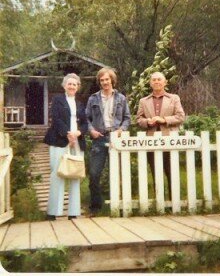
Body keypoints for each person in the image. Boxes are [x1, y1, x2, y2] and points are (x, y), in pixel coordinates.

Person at [86, 67, 131, 216]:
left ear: (112, 80)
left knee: (118, 172)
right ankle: (96, 206)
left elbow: (127, 118)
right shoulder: (93, 98)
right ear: (99, 82)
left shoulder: (121, 98)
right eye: (102, 80)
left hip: (116, 139)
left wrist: (121, 130)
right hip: (99, 139)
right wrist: (91, 131)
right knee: (94, 173)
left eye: (107, 79)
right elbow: (86, 119)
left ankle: (120, 205)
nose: (105, 82)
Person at [44, 73, 88, 220]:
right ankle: (53, 212)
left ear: (78, 87)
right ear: (64, 86)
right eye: (69, 84)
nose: (72, 86)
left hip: (77, 142)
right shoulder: (57, 100)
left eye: (74, 84)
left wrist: (78, 132)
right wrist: (67, 134)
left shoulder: (80, 104)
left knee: (75, 175)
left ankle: (73, 212)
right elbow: (55, 119)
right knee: (57, 174)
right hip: (59, 140)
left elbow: (85, 123)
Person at [136, 71, 185, 199]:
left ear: (165, 82)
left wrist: (164, 120)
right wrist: (147, 121)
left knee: (171, 171)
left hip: (169, 140)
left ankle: (173, 201)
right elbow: (139, 120)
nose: (157, 82)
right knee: (155, 171)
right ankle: (159, 201)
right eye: (154, 80)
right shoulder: (143, 101)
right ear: (150, 83)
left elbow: (181, 117)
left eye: (159, 79)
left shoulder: (174, 98)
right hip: (151, 141)